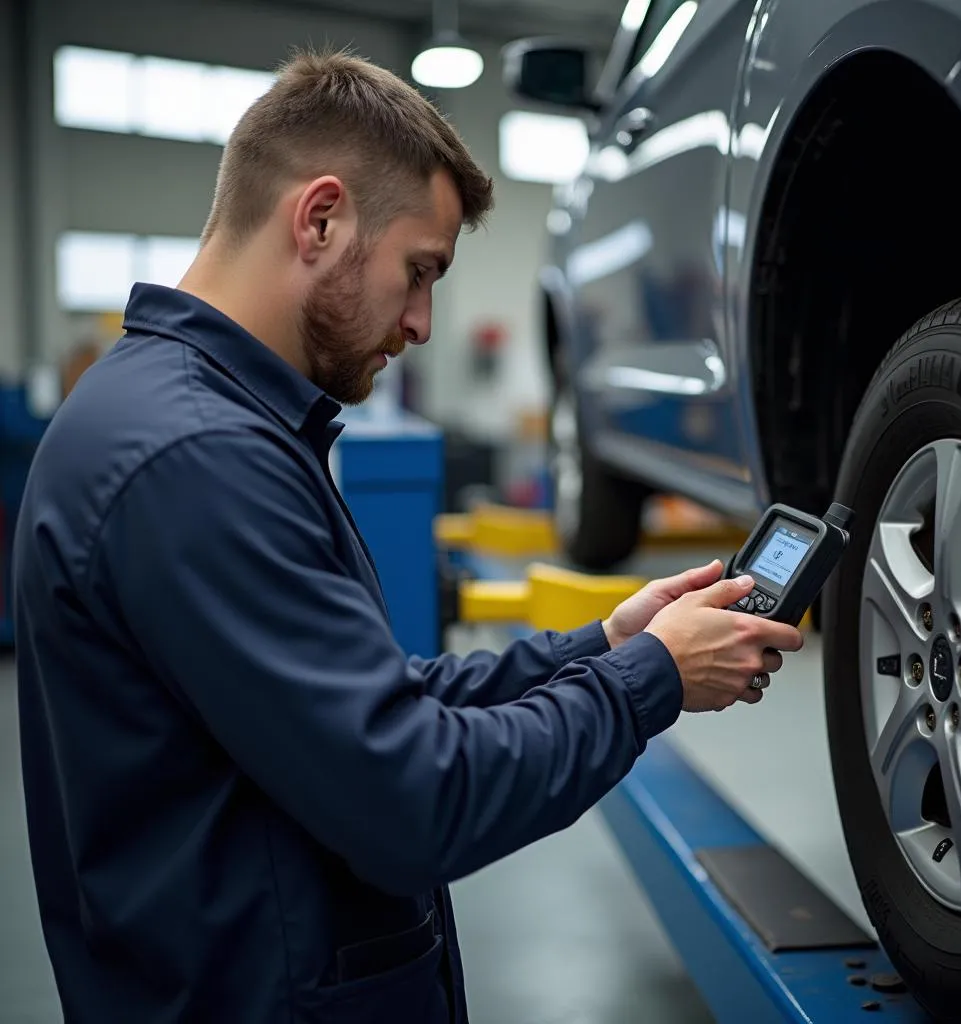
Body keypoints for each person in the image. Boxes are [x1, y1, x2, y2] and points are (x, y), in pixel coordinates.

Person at [12, 48, 804, 1024]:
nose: (425, 320)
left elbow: (373, 703)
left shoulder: (199, 423)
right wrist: (650, 681)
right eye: (419, 271)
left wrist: (607, 644)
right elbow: (413, 799)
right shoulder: (193, 458)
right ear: (321, 217)